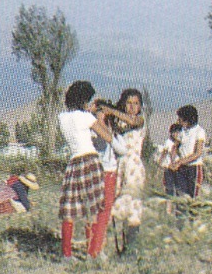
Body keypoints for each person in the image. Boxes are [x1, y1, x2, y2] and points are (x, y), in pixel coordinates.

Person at [57, 81, 115, 259]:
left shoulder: (62, 118)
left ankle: (67, 253)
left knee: (69, 209)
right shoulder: (87, 118)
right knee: (94, 207)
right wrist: (98, 116)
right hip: (90, 160)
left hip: (73, 162)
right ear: (84, 101)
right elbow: (108, 137)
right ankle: (93, 252)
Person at [104, 89, 148, 255]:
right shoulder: (119, 122)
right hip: (119, 166)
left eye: (136, 103)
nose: (132, 107)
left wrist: (112, 111)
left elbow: (132, 121)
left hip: (134, 166)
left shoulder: (140, 120)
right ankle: (122, 247)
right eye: (129, 103)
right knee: (119, 207)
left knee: (133, 207)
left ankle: (132, 249)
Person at [85, 98, 129, 259]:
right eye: (98, 112)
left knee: (104, 214)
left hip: (110, 173)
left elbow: (123, 150)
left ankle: (97, 248)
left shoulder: (113, 131)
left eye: (102, 112)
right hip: (96, 172)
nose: (100, 116)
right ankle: (92, 249)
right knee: (94, 212)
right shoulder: (91, 130)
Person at [171, 104, 206, 197]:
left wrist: (181, 161)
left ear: (187, 119)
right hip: (181, 168)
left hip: (193, 168)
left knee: (192, 199)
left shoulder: (199, 131)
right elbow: (175, 146)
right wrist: (173, 161)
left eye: (180, 118)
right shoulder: (182, 131)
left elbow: (198, 153)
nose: (178, 121)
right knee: (180, 197)